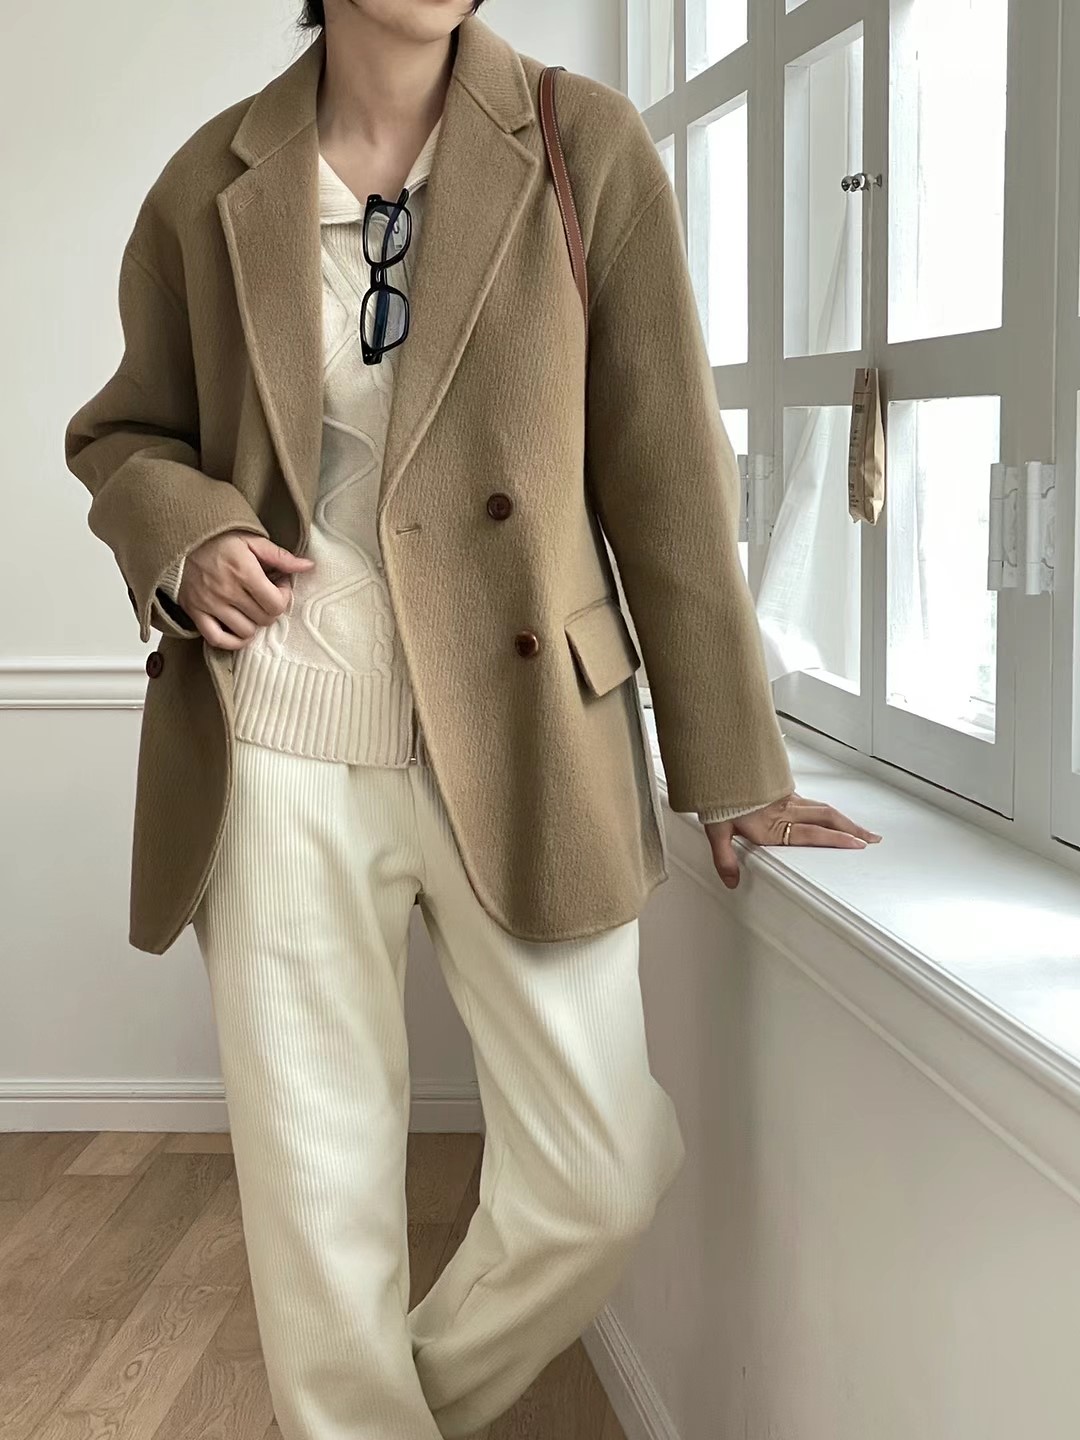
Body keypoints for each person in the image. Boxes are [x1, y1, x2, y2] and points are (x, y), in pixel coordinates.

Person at [63, 3, 880, 1435]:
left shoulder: (580, 145)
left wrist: (731, 765)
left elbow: (666, 468)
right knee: (319, 1201)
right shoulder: (212, 182)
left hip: (525, 729)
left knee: (600, 1175)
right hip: (277, 737)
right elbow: (124, 431)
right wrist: (186, 535)